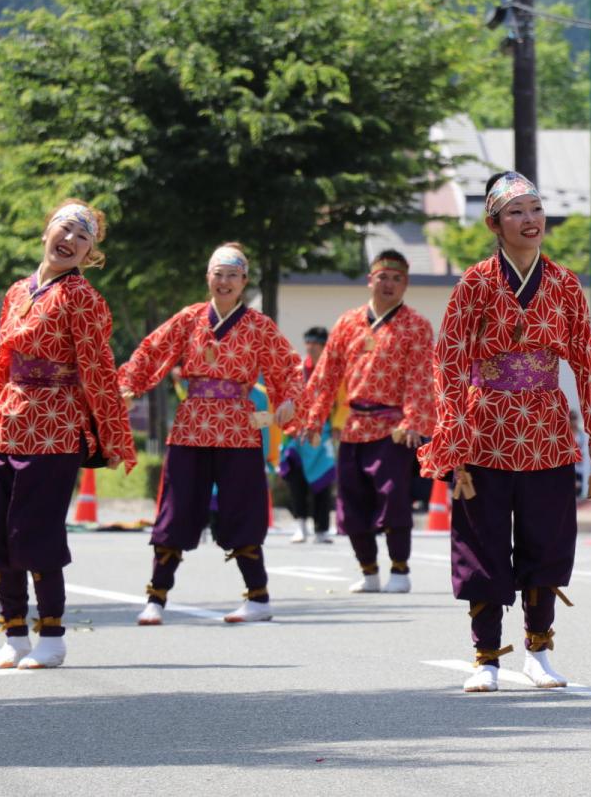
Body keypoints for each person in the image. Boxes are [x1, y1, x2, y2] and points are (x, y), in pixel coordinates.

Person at [419, 171, 591, 693]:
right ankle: (486, 657)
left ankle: (538, 651)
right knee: (482, 544)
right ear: (495, 223)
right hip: (484, 426)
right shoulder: (474, 283)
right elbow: (447, 360)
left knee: (546, 541)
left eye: (536, 209)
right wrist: (452, 435)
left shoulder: (563, 284)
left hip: (547, 430)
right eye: (516, 212)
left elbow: (586, 363)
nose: (530, 220)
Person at [0, 199, 137, 669]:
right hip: (9, 424)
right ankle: (13, 634)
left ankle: (51, 633)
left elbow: (98, 368)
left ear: (90, 254)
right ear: (47, 230)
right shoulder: (15, 292)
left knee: (37, 532)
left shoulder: (83, 298)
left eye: (82, 237)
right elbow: (1, 366)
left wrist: (113, 436)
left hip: (58, 426)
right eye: (65, 228)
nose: (70, 240)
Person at [119, 243, 303, 625]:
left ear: (244, 281)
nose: (225, 281)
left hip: (239, 427)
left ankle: (258, 598)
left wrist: (288, 402)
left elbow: (288, 368)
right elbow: (152, 351)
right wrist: (128, 385)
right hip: (191, 426)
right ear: (208, 278)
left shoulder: (259, 326)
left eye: (233, 275)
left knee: (243, 511)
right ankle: (156, 597)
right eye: (218, 273)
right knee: (176, 509)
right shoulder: (188, 319)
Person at [300, 250, 435, 594]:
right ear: (370, 280)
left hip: (394, 427)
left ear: (405, 284)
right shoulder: (347, 322)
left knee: (394, 498)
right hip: (354, 425)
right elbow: (326, 374)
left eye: (396, 278)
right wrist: (314, 418)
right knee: (350, 499)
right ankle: (369, 570)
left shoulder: (416, 326)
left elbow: (422, 377)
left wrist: (413, 420)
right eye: (383, 277)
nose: (388, 284)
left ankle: (400, 570)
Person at [284, 327, 338, 544]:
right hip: (296, 434)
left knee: (323, 481)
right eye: (308, 342)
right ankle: (300, 525)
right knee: (295, 479)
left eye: (316, 343)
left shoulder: (332, 371)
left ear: (325, 346)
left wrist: (338, 425)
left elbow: (341, 400)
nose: (311, 346)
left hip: (322, 433)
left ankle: (322, 529)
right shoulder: (297, 370)